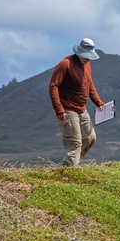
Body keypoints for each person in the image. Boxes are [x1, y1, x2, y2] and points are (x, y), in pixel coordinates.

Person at [49, 38, 105, 166]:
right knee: (75, 142)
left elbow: (89, 84)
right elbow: (53, 86)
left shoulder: (87, 65)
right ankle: (69, 169)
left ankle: (70, 164)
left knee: (90, 138)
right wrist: (59, 109)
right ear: (78, 53)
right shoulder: (66, 64)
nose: (87, 59)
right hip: (67, 108)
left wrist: (98, 102)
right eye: (85, 56)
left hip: (81, 107)